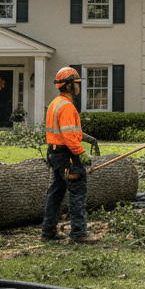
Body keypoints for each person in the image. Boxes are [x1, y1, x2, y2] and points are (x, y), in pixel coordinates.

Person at [42, 67, 101, 243]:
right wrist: (81, 153)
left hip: (55, 154)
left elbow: (68, 131)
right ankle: (79, 233)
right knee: (77, 192)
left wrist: (88, 138)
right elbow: (68, 136)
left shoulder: (55, 103)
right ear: (68, 85)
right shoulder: (67, 107)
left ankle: (48, 232)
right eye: (76, 83)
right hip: (67, 156)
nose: (79, 87)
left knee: (56, 193)